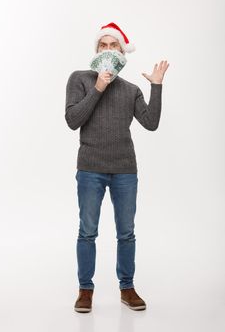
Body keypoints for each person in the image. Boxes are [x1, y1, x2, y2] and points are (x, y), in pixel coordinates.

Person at [65, 22, 169, 313]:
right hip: (90, 168)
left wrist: (156, 86)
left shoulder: (131, 89)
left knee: (127, 232)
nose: (108, 51)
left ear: (123, 53)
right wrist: (98, 87)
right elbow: (73, 120)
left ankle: (127, 288)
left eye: (114, 46)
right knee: (87, 231)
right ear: (96, 50)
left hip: (125, 169)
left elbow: (151, 123)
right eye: (104, 45)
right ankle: (85, 290)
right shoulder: (80, 79)